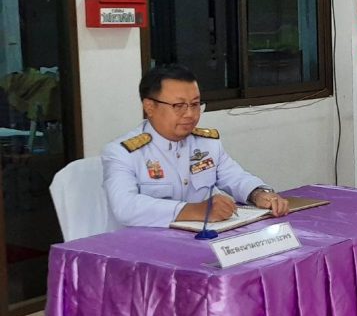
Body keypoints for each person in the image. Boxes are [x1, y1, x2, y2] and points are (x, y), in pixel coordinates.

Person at [103, 64, 289, 228]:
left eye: (195, 104)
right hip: (143, 245)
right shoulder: (122, 152)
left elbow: (235, 177)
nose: (190, 114)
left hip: (199, 240)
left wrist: (258, 194)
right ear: (149, 107)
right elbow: (125, 207)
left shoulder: (207, 143)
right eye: (179, 106)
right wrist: (196, 210)